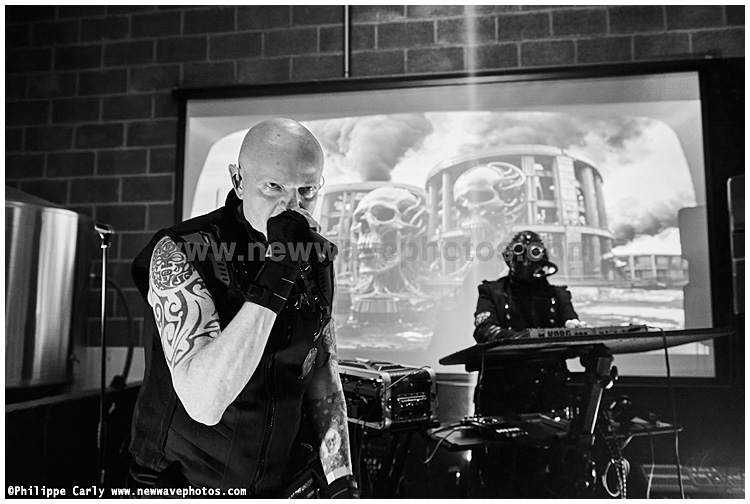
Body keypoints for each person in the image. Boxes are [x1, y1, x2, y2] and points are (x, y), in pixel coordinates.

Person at [127, 118, 357, 498]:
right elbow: (204, 403)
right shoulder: (183, 250)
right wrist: (279, 270)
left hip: (279, 485)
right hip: (184, 484)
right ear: (238, 180)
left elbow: (321, 368)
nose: (291, 207)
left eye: (306, 190)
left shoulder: (315, 259)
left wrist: (340, 477)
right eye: (273, 187)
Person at [468, 230, 587, 497]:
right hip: (502, 397)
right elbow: (484, 329)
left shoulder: (558, 295)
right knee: (499, 472)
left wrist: (574, 328)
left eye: (532, 253)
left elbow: (571, 323)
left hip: (549, 397)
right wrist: (524, 340)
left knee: (549, 475)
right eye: (518, 254)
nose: (524, 262)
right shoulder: (491, 291)